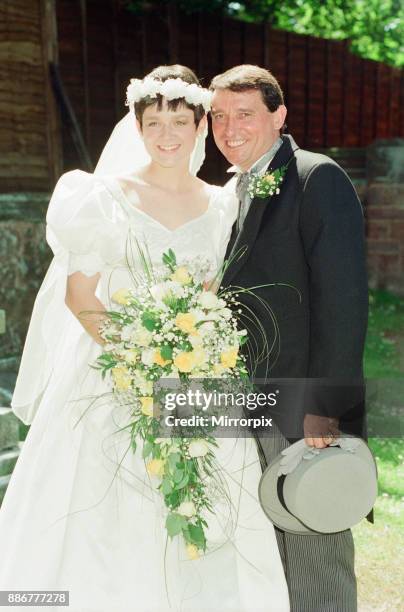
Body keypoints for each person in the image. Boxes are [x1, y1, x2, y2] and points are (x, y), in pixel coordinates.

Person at [0, 65, 290, 612]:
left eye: (178, 120)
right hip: (111, 374)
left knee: (201, 501)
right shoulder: (100, 196)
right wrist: (140, 360)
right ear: (136, 126)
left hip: (195, 381)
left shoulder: (220, 203)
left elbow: (209, 294)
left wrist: (189, 357)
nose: (166, 135)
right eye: (153, 121)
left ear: (200, 124)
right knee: (100, 511)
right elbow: (80, 297)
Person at [210, 64, 368, 611]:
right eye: (219, 117)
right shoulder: (223, 194)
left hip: (300, 406)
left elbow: (343, 304)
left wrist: (325, 409)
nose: (230, 129)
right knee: (259, 546)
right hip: (236, 402)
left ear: (278, 116)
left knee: (312, 539)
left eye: (245, 114)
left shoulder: (315, 177)